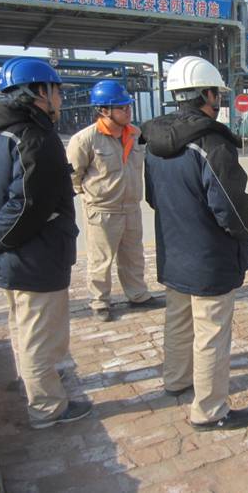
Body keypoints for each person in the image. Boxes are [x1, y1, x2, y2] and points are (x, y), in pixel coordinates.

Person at [0, 57, 91, 428]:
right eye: (57, 92)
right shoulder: (34, 137)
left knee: (22, 324)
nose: (60, 99)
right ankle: (47, 407)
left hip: (9, 253)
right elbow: (29, 203)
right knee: (38, 335)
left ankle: (32, 382)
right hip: (35, 255)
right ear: (40, 92)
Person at [141, 56, 248, 431]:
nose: (218, 100)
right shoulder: (211, 143)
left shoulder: (155, 142)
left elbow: (153, 198)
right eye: (216, 94)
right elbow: (229, 207)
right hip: (209, 256)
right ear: (208, 95)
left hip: (173, 250)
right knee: (211, 333)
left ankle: (177, 380)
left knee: (178, 321)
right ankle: (210, 410)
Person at [66, 80, 163, 322]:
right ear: (104, 110)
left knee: (133, 255)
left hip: (131, 207)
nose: (128, 111)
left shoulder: (136, 134)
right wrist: (90, 198)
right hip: (102, 210)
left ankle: (138, 295)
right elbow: (73, 176)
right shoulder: (85, 140)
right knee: (101, 260)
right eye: (121, 108)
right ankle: (100, 301)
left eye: (128, 106)